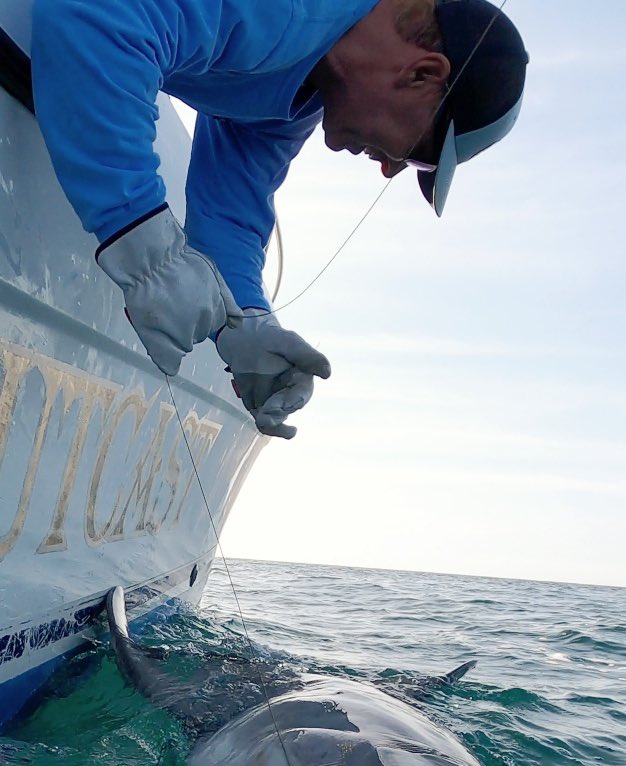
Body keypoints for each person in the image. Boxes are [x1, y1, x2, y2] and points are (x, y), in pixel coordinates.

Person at [30, 0, 527, 439]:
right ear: (423, 73)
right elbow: (93, 13)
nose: (390, 168)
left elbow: (231, 213)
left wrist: (246, 324)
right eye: (420, 154)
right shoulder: (292, 9)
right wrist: (146, 250)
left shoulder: (296, 99)